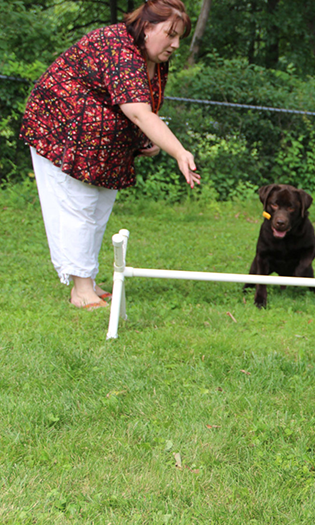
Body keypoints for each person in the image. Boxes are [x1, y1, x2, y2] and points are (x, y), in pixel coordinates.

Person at [20, 0, 199, 310]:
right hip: (63, 128)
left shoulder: (153, 58)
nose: (176, 44)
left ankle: (86, 279)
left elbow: (144, 108)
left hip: (102, 140)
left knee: (99, 206)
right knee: (79, 205)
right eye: (170, 34)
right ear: (147, 27)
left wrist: (144, 138)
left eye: (180, 36)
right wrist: (179, 151)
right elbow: (139, 112)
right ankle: (80, 291)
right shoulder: (118, 46)